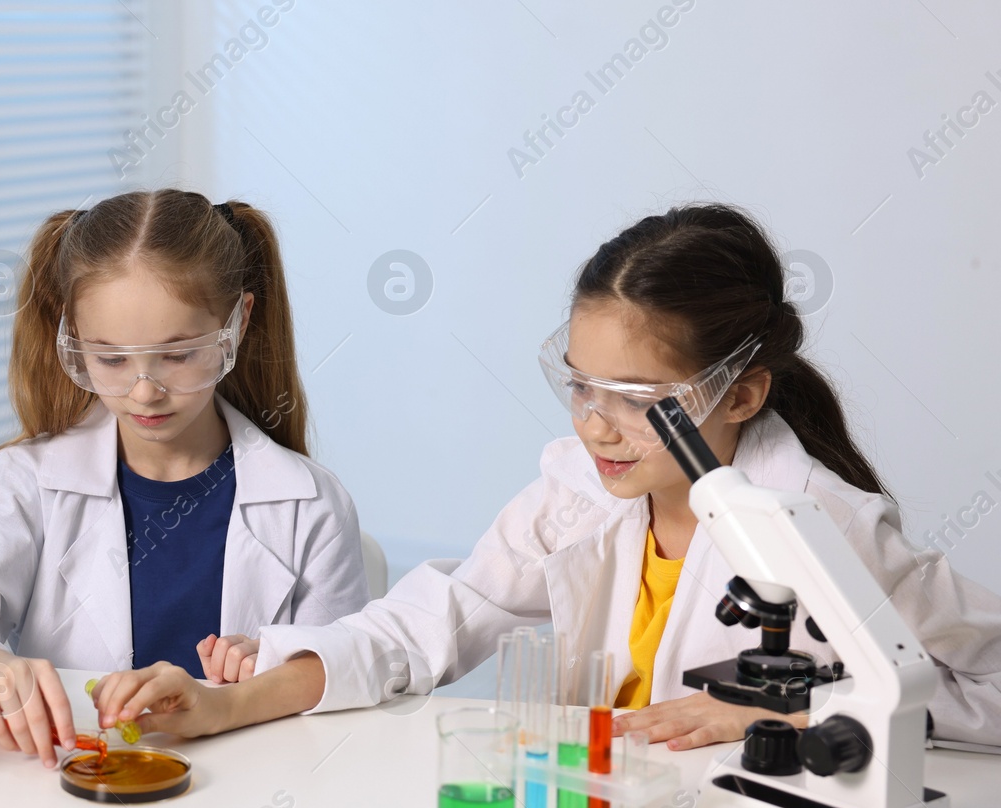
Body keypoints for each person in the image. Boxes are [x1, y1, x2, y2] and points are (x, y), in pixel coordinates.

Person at [93, 204, 1001, 750]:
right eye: (579, 384)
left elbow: (988, 690)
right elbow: (429, 625)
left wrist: (788, 714)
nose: (595, 423)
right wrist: (227, 705)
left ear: (742, 392)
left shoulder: (821, 521)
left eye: (638, 396)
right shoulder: (577, 495)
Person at [0, 189, 369, 766]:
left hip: (248, 796)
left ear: (238, 323)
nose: (144, 390)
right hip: (76, 794)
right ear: (73, 341)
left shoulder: (309, 505)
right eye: (111, 359)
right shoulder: (34, 480)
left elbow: (345, 685)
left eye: (179, 354)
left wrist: (271, 667)